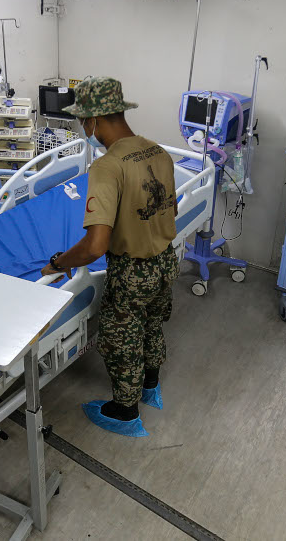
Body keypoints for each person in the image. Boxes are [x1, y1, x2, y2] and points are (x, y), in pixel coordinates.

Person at [39, 77, 179, 437]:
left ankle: (124, 410)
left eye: (82, 121)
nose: (84, 128)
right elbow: (167, 210)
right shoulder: (158, 152)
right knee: (151, 325)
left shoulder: (106, 167)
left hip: (132, 271)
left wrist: (59, 263)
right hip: (165, 260)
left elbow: (95, 246)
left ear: (93, 120)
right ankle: (151, 387)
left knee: (122, 338)